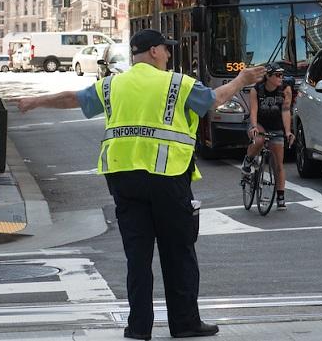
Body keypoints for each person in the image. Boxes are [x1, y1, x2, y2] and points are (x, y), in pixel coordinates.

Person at [17, 29, 266, 340]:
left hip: (124, 179)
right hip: (168, 177)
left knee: (137, 257)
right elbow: (215, 100)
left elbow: (72, 99)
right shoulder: (176, 83)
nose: (170, 54)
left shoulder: (112, 85)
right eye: (166, 48)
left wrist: (34, 101)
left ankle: (138, 327)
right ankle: (185, 323)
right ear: (153, 52)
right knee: (178, 252)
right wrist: (242, 80)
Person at [240, 62, 294, 211]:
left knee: (278, 162)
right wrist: (254, 127)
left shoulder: (285, 89)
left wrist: (288, 131)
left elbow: (285, 111)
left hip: (276, 125)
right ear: (268, 76)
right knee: (259, 139)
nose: (281, 78)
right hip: (260, 122)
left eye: (282, 75)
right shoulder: (257, 90)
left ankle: (281, 197)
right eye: (277, 75)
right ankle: (248, 160)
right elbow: (254, 111)